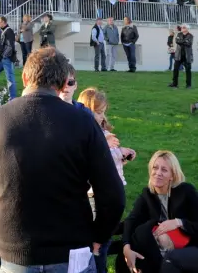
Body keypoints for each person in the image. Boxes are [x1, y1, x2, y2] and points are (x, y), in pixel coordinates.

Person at [0, 47, 126, 272]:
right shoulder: (83, 123)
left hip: (16, 253)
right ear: (61, 83)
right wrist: (100, 235)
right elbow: (113, 194)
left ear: (25, 77)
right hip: (71, 250)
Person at [118, 151, 198, 273]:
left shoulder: (186, 191)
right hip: (166, 248)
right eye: (155, 168)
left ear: (172, 175)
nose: (158, 173)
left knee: (171, 260)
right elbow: (131, 220)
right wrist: (126, 247)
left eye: (164, 170)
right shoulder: (148, 195)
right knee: (127, 258)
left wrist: (179, 222)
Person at [77, 88, 136, 273]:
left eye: (104, 112)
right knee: (98, 244)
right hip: (96, 195)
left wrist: (123, 156)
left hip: (110, 191)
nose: (102, 116)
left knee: (104, 238)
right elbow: (96, 162)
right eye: (98, 112)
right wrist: (116, 151)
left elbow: (109, 162)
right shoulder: (89, 134)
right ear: (86, 110)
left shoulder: (102, 132)